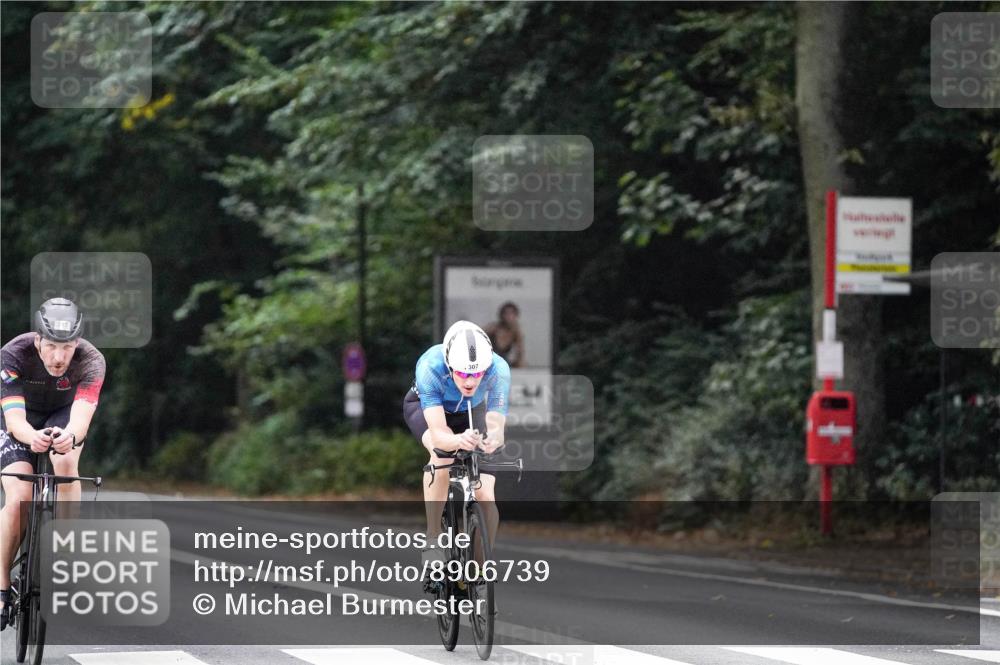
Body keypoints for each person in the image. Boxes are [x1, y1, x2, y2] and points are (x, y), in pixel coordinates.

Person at [0, 298, 105, 630]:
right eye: (52, 347)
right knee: (19, 496)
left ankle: (64, 549)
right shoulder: (13, 354)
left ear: (78, 344)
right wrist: (31, 437)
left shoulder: (92, 361)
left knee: (66, 461)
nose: (59, 357)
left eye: (68, 347)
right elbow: (15, 421)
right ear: (38, 340)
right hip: (19, 418)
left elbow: (81, 420)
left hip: (63, 415)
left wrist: (69, 437)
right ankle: (1, 587)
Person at [402, 320, 510, 586]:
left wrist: (493, 439)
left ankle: (478, 570)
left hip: (472, 412)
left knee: (486, 495)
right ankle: (433, 539)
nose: (470, 381)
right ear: (450, 366)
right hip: (429, 411)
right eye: (462, 373)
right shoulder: (430, 366)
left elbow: (496, 424)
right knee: (442, 455)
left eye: (477, 373)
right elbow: (440, 433)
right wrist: (457, 439)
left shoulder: (498, 369)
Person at [484, 301, 525, 368]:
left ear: (516, 315)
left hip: (502, 361)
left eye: (511, 314)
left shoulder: (516, 332)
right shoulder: (493, 328)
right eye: (506, 313)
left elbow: (520, 353)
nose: (509, 316)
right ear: (501, 315)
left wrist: (519, 364)